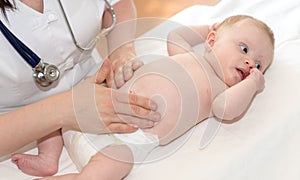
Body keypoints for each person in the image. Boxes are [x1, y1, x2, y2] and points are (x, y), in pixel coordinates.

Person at [17, 14, 275, 179]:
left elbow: (226, 110)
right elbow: (176, 34)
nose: (250, 62)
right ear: (212, 40)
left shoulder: (222, 92)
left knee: (120, 161)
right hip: (93, 106)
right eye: (244, 48)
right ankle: (48, 157)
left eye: (260, 65)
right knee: (63, 101)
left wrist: (252, 84)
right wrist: (209, 27)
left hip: (124, 136)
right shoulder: (185, 54)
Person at [0, 0, 162, 176]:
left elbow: (117, 4)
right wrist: (63, 109)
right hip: (18, 127)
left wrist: (121, 51)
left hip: (92, 81)